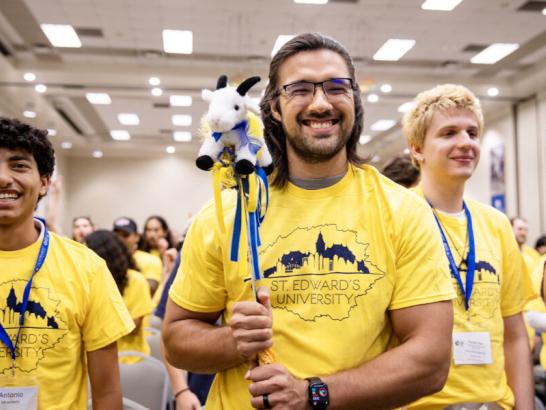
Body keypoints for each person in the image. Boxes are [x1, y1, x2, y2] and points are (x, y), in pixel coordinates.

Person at [163, 33, 455, 410]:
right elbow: (175, 338)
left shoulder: (403, 210)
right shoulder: (230, 212)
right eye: (299, 89)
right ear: (272, 108)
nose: (320, 103)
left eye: (337, 87)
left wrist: (313, 393)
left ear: (354, 100)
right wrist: (231, 342)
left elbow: (430, 362)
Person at [402, 84, 535, 408]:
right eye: (449, 133)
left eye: (472, 133)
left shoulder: (496, 224)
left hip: (493, 403)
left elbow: (515, 333)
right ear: (417, 149)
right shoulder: (396, 218)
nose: (465, 143)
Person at [0, 117, 134, 409]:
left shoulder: (86, 268)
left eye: (18, 165)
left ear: (45, 182)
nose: (2, 177)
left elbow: (107, 392)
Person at [85, 230, 153, 364]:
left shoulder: (135, 280)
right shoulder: (88, 280)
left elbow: (133, 328)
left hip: (128, 359)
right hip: (93, 358)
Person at [113, 216, 162, 295]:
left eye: (125, 235)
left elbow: (150, 290)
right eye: (116, 235)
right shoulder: (109, 259)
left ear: (137, 237)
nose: (120, 239)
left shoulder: (151, 260)